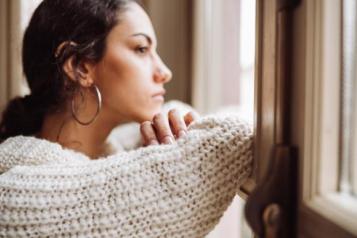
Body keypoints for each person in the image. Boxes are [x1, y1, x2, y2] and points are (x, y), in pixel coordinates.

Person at [0, 0, 253, 237]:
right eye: (141, 49)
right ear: (80, 66)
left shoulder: (117, 157)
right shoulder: (15, 198)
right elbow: (229, 140)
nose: (165, 72)